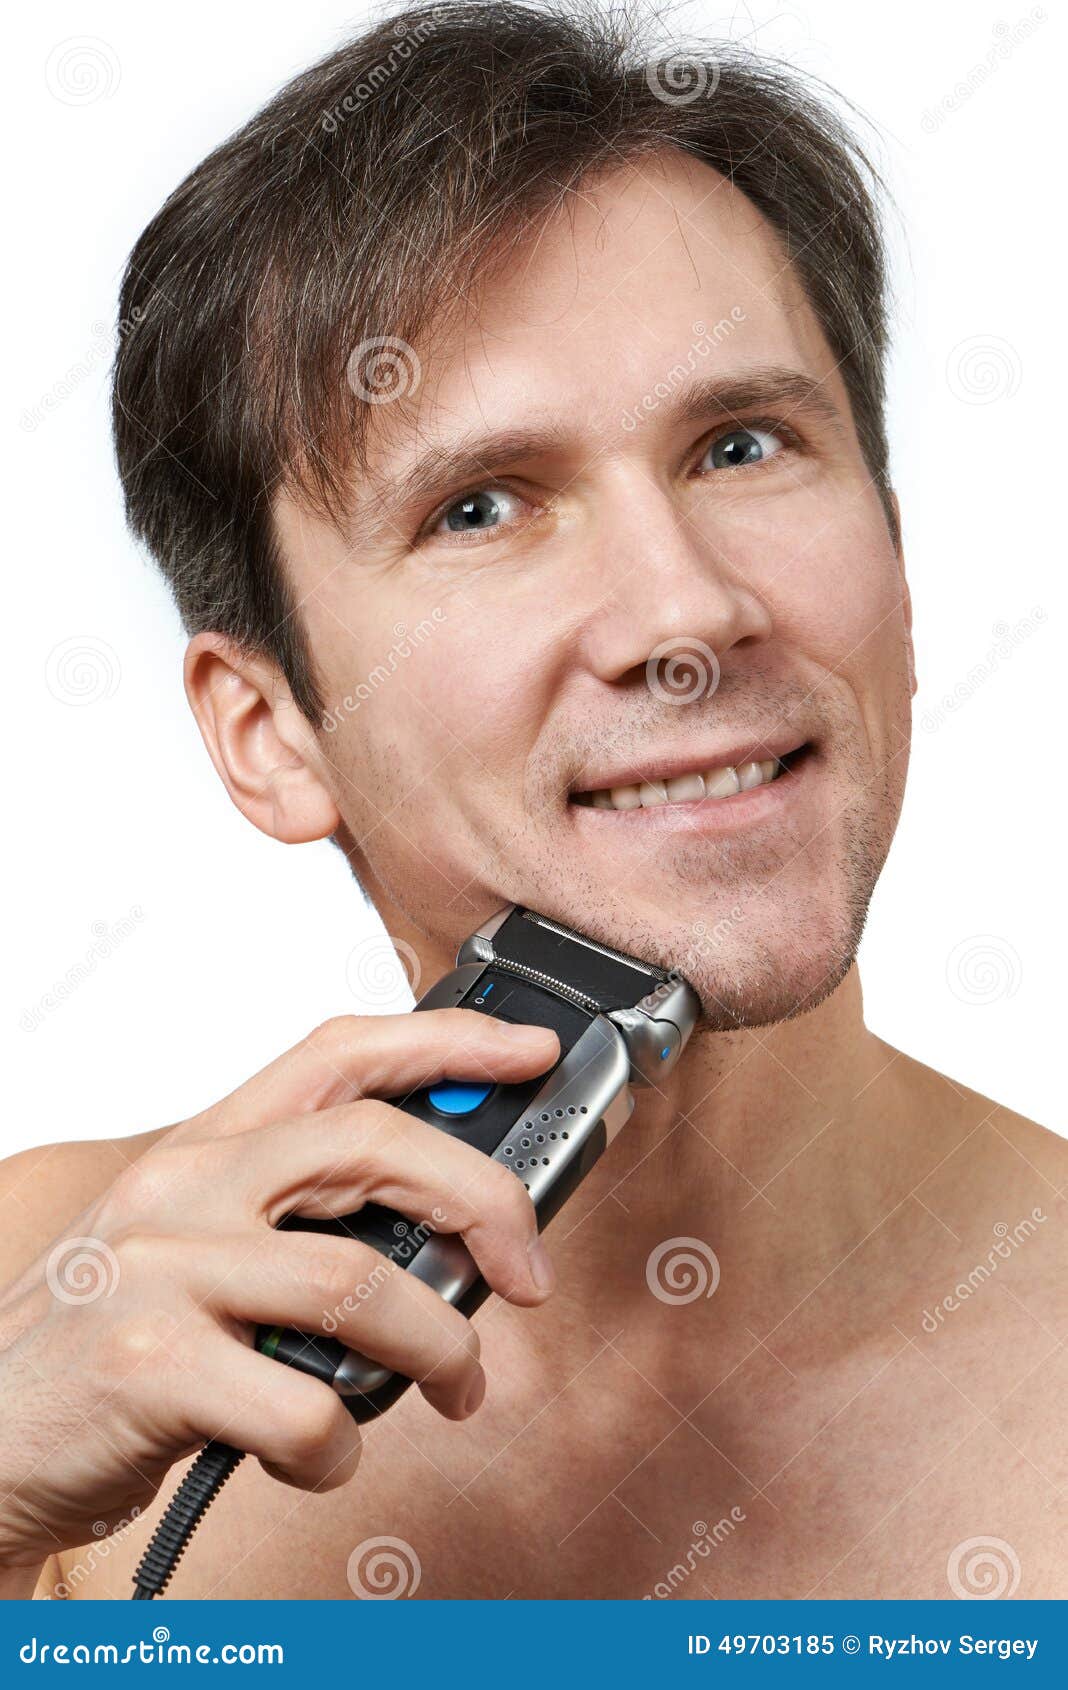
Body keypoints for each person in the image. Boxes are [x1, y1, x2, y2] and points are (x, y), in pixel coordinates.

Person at [2, 0, 1063, 1601]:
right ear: (272, 731)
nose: (685, 613)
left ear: (899, 550)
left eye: (743, 445)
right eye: (481, 506)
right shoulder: (40, 1304)